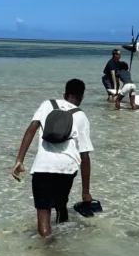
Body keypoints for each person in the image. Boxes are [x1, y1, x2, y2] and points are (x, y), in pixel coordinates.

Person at [12, 78, 94, 239]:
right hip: (67, 169)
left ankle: (49, 251)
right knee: (61, 205)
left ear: (64, 94)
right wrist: (85, 192)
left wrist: (19, 160)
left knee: (43, 212)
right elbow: (85, 156)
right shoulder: (81, 116)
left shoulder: (47, 105)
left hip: (43, 168)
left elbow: (31, 130)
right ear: (82, 97)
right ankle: (63, 244)